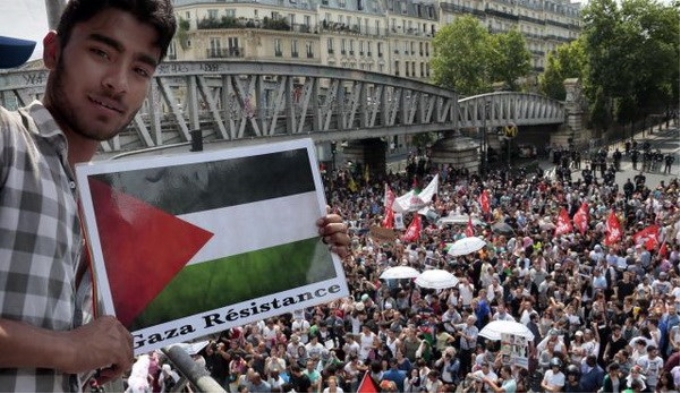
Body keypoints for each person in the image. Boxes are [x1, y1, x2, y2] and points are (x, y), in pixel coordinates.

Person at [0, 2, 351, 392]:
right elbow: (70, 349)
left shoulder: (108, 206)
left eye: (140, 69)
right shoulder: (8, 140)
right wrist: (69, 350)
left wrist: (311, 237)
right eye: (101, 53)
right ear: (52, 51)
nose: (118, 82)